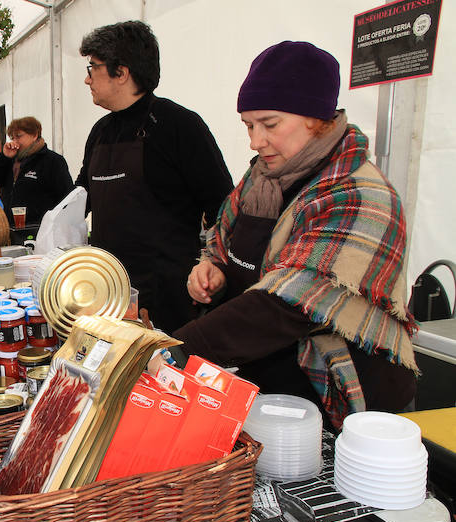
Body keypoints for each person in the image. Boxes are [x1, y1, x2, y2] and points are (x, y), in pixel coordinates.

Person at [174, 41, 417, 430]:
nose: (255, 141)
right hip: (263, 384)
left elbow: (288, 303)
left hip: (336, 403)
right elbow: (221, 237)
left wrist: (176, 350)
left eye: (269, 125)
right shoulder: (262, 177)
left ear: (316, 119)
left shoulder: (359, 195)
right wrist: (212, 266)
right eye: (249, 126)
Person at [76, 21, 233, 333]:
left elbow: (226, 207)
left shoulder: (179, 126)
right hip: (110, 294)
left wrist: (211, 266)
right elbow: (81, 198)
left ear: (121, 72)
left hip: (168, 300)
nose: (86, 78)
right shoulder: (100, 132)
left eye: (92, 67)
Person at [0, 116, 74, 227]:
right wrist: (4, 157)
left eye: (19, 136)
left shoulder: (53, 161)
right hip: (13, 228)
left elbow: (66, 197)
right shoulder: (11, 160)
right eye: (12, 137)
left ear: (34, 135)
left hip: (41, 228)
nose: (15, 142)